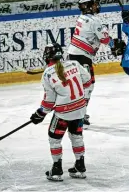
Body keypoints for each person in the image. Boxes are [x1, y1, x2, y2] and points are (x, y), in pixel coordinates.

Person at [30, 43, 92, 181]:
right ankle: (80, 166)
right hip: (80, 109)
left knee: (54, 138)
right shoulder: (74, 64)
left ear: (47, 56)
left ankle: (57, 169)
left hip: (64, 113)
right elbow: (88, 80)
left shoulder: (47, 74)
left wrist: (40, 113)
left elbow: (49, 102)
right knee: (77, 136)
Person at [67, 0, 121, 128]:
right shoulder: (94, 21)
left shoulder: (82, 18)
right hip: (82, 57)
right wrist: (114, 44)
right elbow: (104, 39)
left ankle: (77, 113)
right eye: (94, 4)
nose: (97, 6)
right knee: (88, 86)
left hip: (75, 54)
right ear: (89, 7)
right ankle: (79, 115)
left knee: (81, 86)